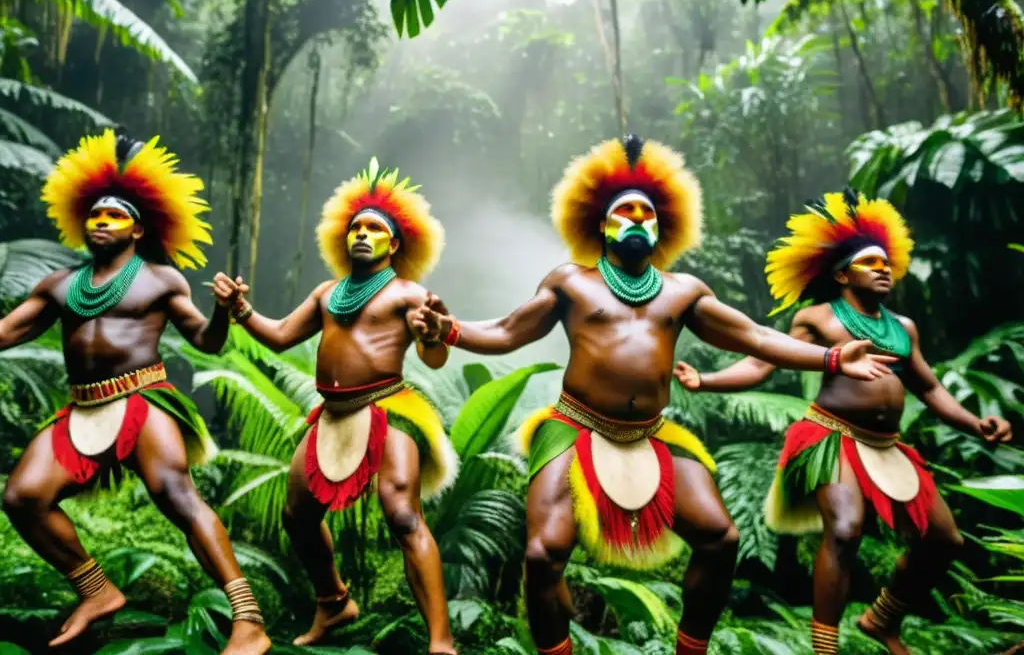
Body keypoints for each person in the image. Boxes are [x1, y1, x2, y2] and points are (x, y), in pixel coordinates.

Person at [412, 136, 896, 655]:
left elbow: (755, 337)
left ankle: (690, 650)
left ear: (662, 226)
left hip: (651, 433)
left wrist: (829, 357)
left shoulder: (683, 290)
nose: (638, 219)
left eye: (648, 213)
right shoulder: (572, 282)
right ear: (601, 224)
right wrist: (451, 329)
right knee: (543, 553)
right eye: (625, 212)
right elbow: (508, 331)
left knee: (721, 538)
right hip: (575, 425)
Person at [674, 188, 1013, 655]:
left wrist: (978, 424)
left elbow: (930, 389)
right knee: (846, 528)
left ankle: (882, 618)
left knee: (944, 538)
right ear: (840, 274)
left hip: (888, 446)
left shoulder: (903, 327)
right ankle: (825, 648)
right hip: (832, 436)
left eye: (886, 264)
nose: (883, 269)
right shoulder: (817, 319)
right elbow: (759, 365)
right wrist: (705, 380)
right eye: (870, 263)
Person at [0, 129, 270, 653]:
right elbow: (7, 332)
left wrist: (222, 311)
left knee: (176, 495)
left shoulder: (161, 280)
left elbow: (206, 343)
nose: (101, 222)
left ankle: (249, 620)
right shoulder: (58, 284)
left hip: (144, 399)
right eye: (95, 215)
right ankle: (97, 592)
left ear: (137, 227)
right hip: (82, 408)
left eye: (114, 215)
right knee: (23, 498)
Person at [213, 158, 458, 653]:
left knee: (403, 516)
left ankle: (441, 641)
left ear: (394, 243)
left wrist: (435, 336)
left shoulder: (408, 293)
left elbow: (434, 358)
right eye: (356, 228)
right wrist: (240, 310)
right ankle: (333, 600)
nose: (362, 234)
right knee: (297, 516)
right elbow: (280, 337)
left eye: (374, 228)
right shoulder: (328, 293)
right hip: (330, 414)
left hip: (388, 407)